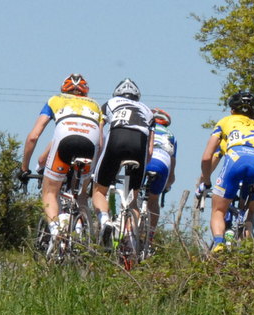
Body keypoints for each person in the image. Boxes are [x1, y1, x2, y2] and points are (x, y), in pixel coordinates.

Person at [20, 74, 103, 237]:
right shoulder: (95, 105)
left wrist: (24, 168)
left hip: (64, 139)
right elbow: (100, 143)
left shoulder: (55, 100)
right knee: (81, 195)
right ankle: (81, 234)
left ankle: (56, 232)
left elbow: (33, 136)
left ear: (63, 89)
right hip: (90, 144)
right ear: (85, 92)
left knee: (50, 192)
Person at [199, 91, 254, 253]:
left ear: (232, 110)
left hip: (235, 160)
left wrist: (207, 181)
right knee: (250, 210)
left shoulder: (226, 121)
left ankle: (219, 243)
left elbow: (207, 158)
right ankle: (248, 247)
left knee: (218, 210)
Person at [92, 79, 155, 241]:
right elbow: (149, 151)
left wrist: (98, 161)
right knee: (133, 201)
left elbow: (100, 139)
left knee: (99, 190)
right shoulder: (148, 110)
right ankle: (129, 240)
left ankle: (105, 221)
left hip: (116, 140)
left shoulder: (110, 103)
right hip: (139, 148)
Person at [143, 108, 177, 244]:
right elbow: (172, 169)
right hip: (163, 163)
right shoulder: (171, 135)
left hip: (147, 158)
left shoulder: (146, 128)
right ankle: (150, 236)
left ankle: (130, 230)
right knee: (153, 200)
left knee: (133, 196)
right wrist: (168, 184)